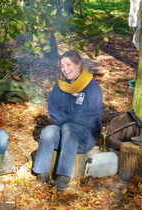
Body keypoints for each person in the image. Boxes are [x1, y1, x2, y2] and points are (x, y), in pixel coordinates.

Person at [32, 50, 103, 191]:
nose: (65, 69)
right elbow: (53, 111)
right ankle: (42, 173)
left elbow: (92, 116)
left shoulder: (92, 87)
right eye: (62, 66)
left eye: (68, 64)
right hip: (64, 132)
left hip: (85, 137)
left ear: (79, 64)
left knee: (69, 129)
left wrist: (68, 124)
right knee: (48, 131)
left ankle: (63, 176)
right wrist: (66, 124)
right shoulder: (59, 86)